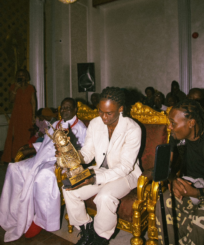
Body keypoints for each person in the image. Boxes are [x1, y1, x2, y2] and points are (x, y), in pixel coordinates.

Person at [62, 87, 142, 245]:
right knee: (68, 188)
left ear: (120, 109)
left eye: (109, 113)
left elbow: (125, 166)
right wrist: (71, 155)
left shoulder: (132, 129)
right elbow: (87, 154)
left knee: (105, 197)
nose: (103, 117)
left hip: (127, 175)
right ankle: (86, 229)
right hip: (100, 170)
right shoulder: (95, 123)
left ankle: (100, 238)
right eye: (100, 111)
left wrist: (94, 178)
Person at [0, 98, 87, 242]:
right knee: (14, 168)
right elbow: (45, 146)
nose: (64, 110)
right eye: (62, 108)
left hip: (61, 165)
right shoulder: (56, 124)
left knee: (43, 176)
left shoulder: (81, 128)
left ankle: (41, 220)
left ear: (75, 110)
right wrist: (31, 148)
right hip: (41, 158)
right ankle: (13, 211)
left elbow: (81, 154)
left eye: (68, 108)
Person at [156, 99, 204, 244]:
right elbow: (166, 166)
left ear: (191, 123)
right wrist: (172, 180)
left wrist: (196, 193)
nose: (169, 127)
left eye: (173, 123)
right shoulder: (176, 137)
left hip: (200, 190)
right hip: (187, 183)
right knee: (164, 200)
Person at [1, 69, 36, 163]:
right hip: (17, 113)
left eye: (23, 75)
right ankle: (15, 156)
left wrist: (33, 116)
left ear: (26, 76)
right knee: (15, 135)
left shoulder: (30, 87)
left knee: (26, 134)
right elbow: (11, 100)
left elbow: (33, 102)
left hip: (27, 112)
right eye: (19, 75)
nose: (21, 77)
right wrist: (16, 88)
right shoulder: (13, 86)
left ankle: (26, 156)